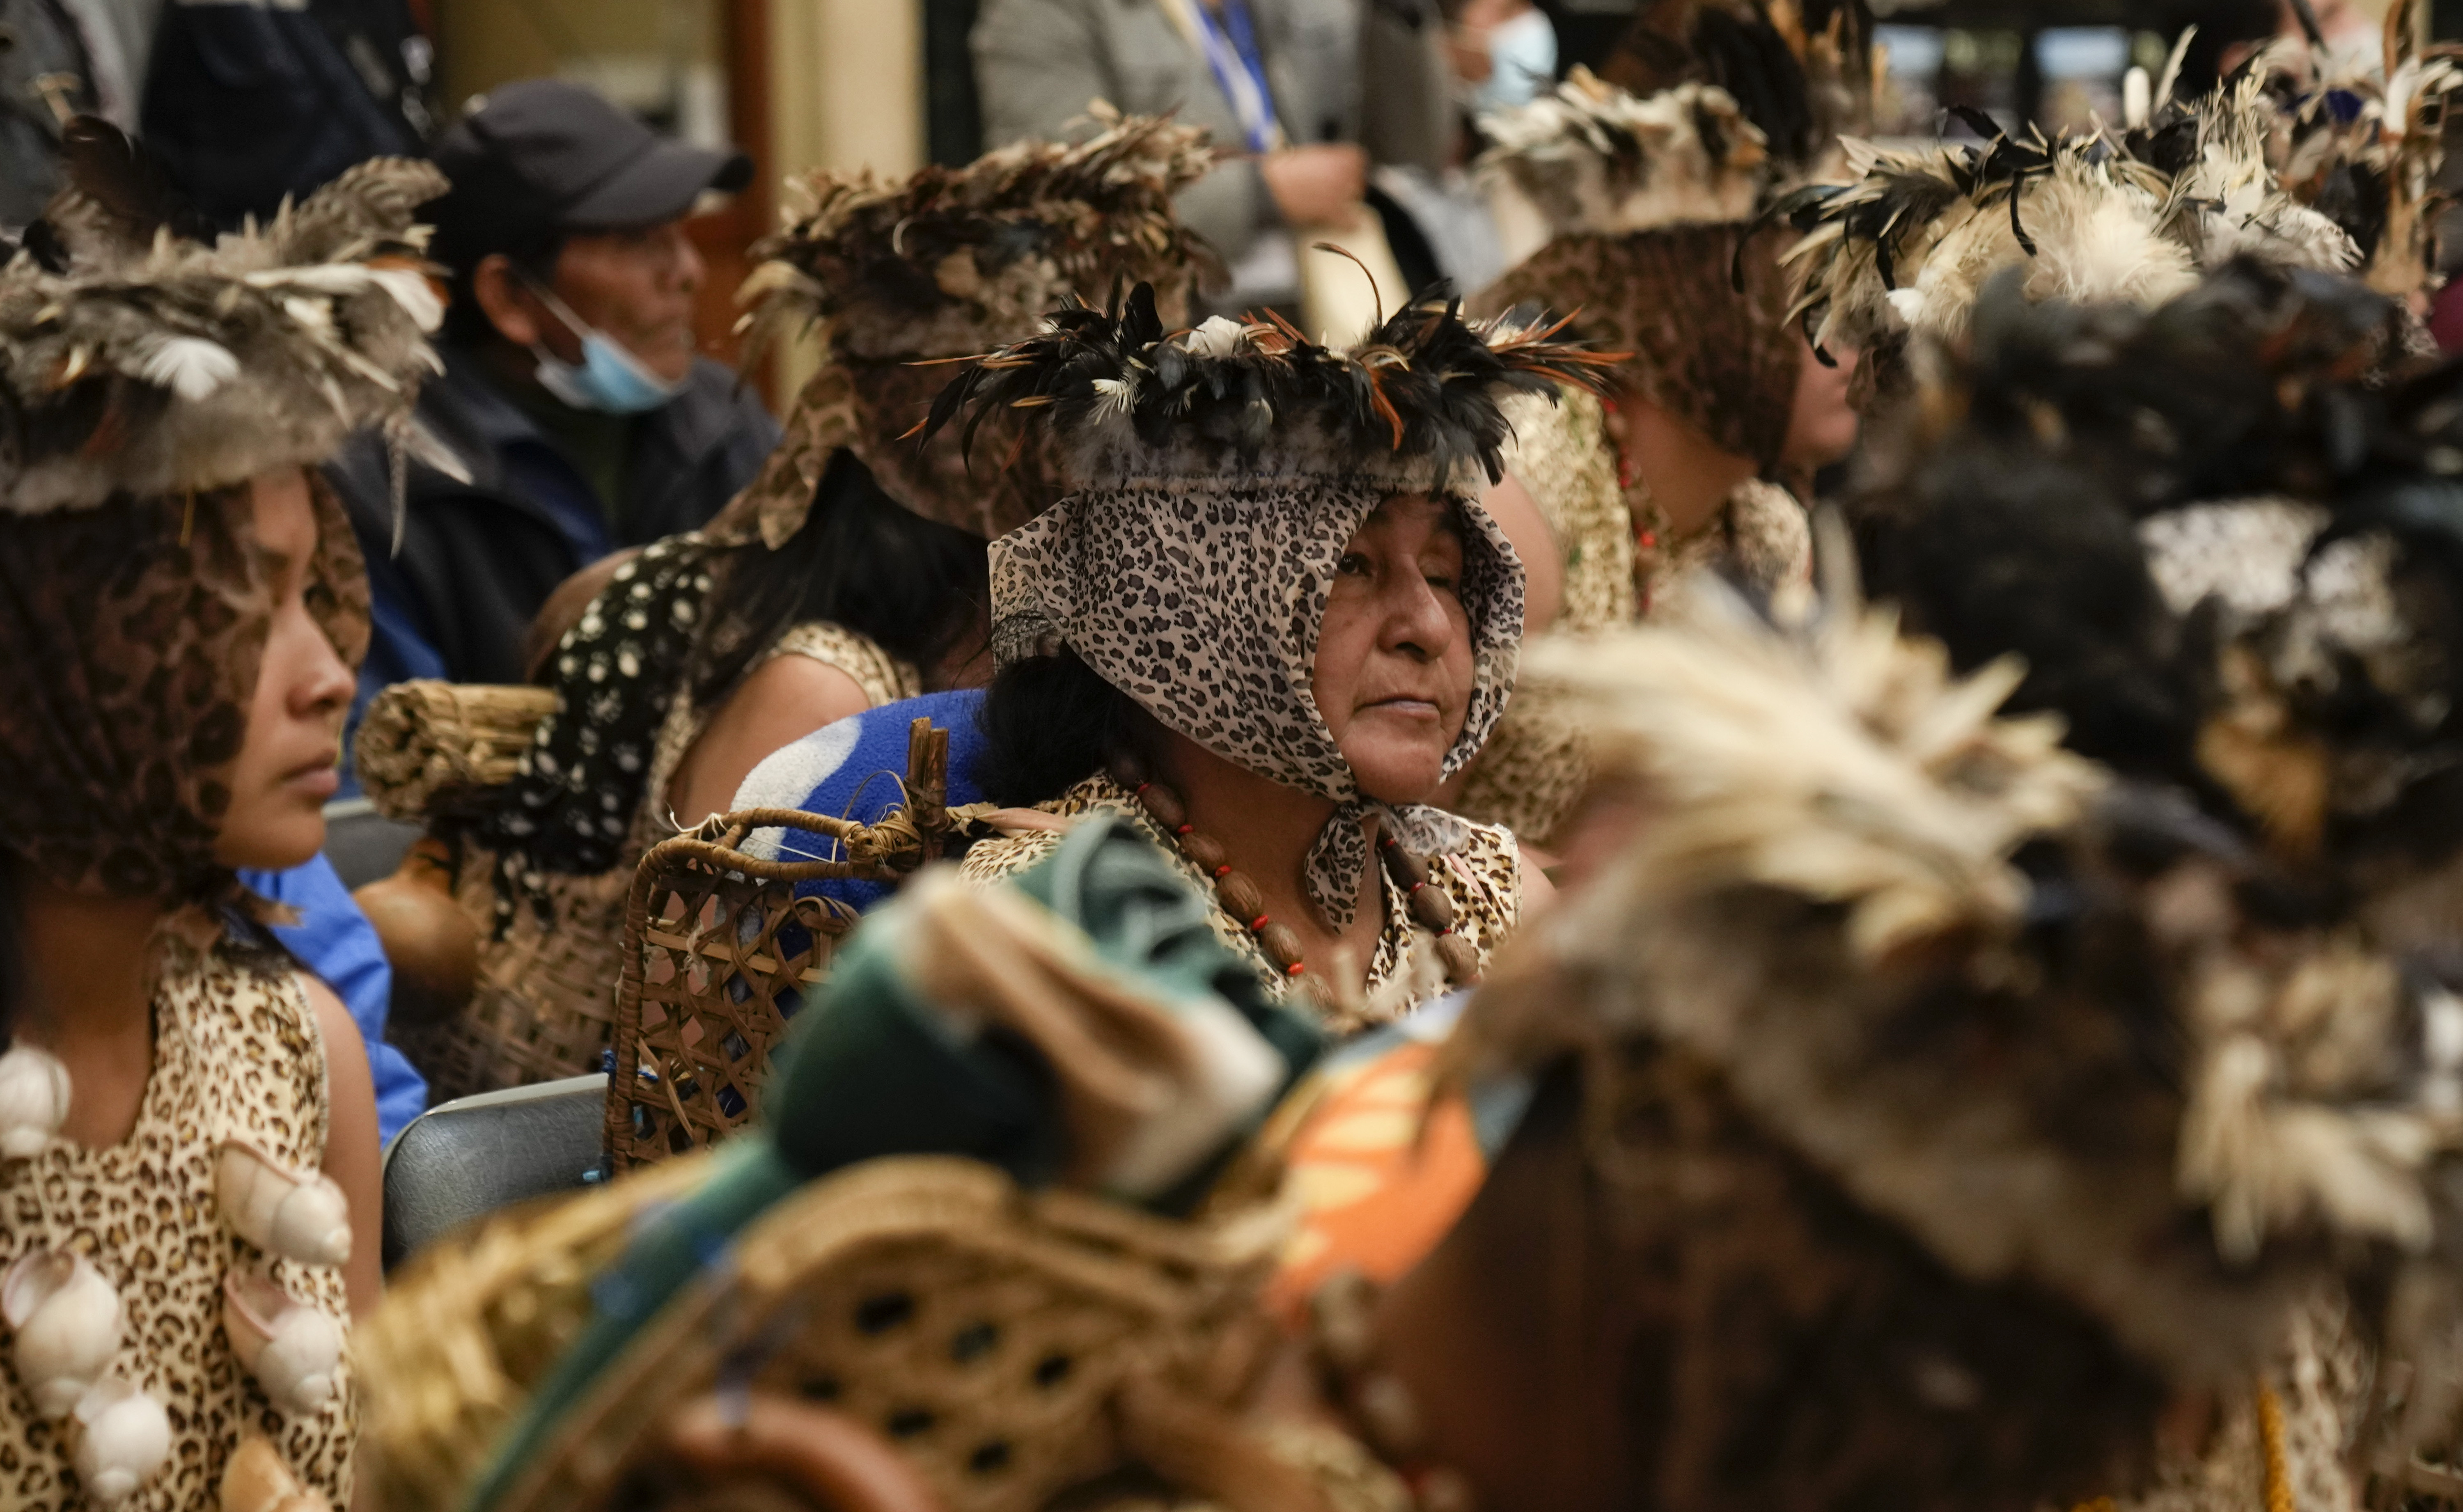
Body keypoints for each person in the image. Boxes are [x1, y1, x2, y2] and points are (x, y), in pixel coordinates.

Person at [355, 117, 1219, 1105]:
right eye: (1109, 424)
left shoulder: (1054, 647)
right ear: (998, 461)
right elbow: (703, 1078)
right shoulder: (824, 693)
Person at [0, 143, 442, 1510]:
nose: (326, 671)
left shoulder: (302, 1051)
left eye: (323, 594)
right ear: (68, 649)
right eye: (251, 603)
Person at [931, 283, 1615, 1024]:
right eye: (1352, 565)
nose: (1432, 627)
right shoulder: (1057, 926)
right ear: (1197, 609)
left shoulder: (1501, 902)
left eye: (1445, 574)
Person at [326, 77, 777, 706]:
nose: (688, 273)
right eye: (637, 240)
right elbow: (381, 762)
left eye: (680, 232)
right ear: (509, 297)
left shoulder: (723, 419)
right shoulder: (384, 486)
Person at [971, 0, 1453, 313]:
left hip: (1325, 308)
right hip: (1167, 343)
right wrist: (1264, 192)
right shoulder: (1039, 13)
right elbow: (1056, 205)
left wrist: (1398, 13)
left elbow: (1419, 149)